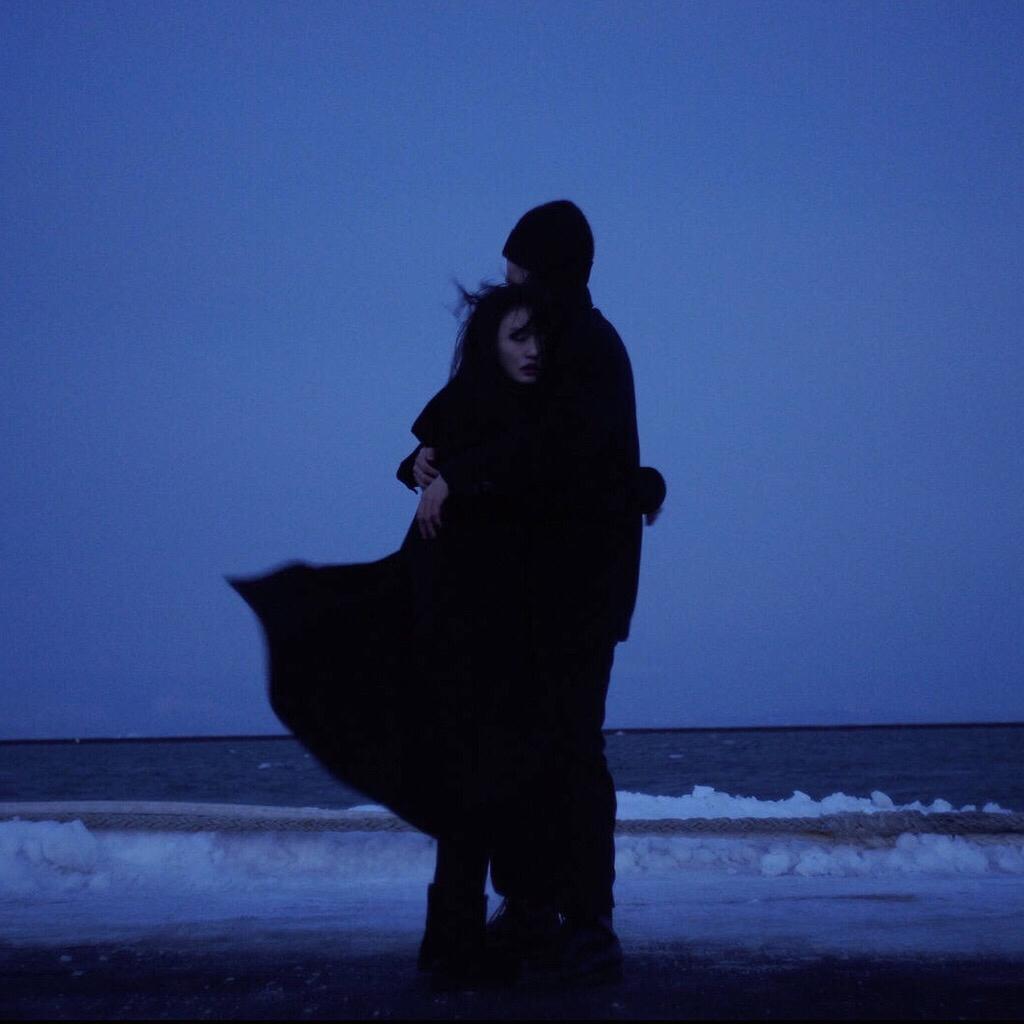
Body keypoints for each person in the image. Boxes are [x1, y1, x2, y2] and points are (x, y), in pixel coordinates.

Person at [402, 200, 665, 985]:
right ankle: (532, 907)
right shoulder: (544, 336)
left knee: (572, 752)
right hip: (524, 594)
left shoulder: (586, 345)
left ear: (544, 266)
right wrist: (424, 460)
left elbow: (559, 452)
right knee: (525, 752)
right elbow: (474, 417)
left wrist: (457, 473)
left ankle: (586, 922)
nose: (507, 275)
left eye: (517, 263)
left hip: (577, 595)